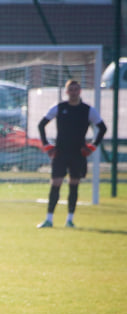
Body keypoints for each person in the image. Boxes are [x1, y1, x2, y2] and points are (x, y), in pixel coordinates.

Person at [36, 79, 107, 228]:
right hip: (60, 152)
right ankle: (49, 219)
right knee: (56, 183)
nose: (74, 92)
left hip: (78, 153)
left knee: (74, 185)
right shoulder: (59, 108)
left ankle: (70, 219)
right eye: (71, 90)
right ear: (67, 92)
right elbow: (41, 124)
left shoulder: (88, 110)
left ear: (80, 91)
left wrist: (92, 147)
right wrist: (47, 146)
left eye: (76, 89)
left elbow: (102, 128)